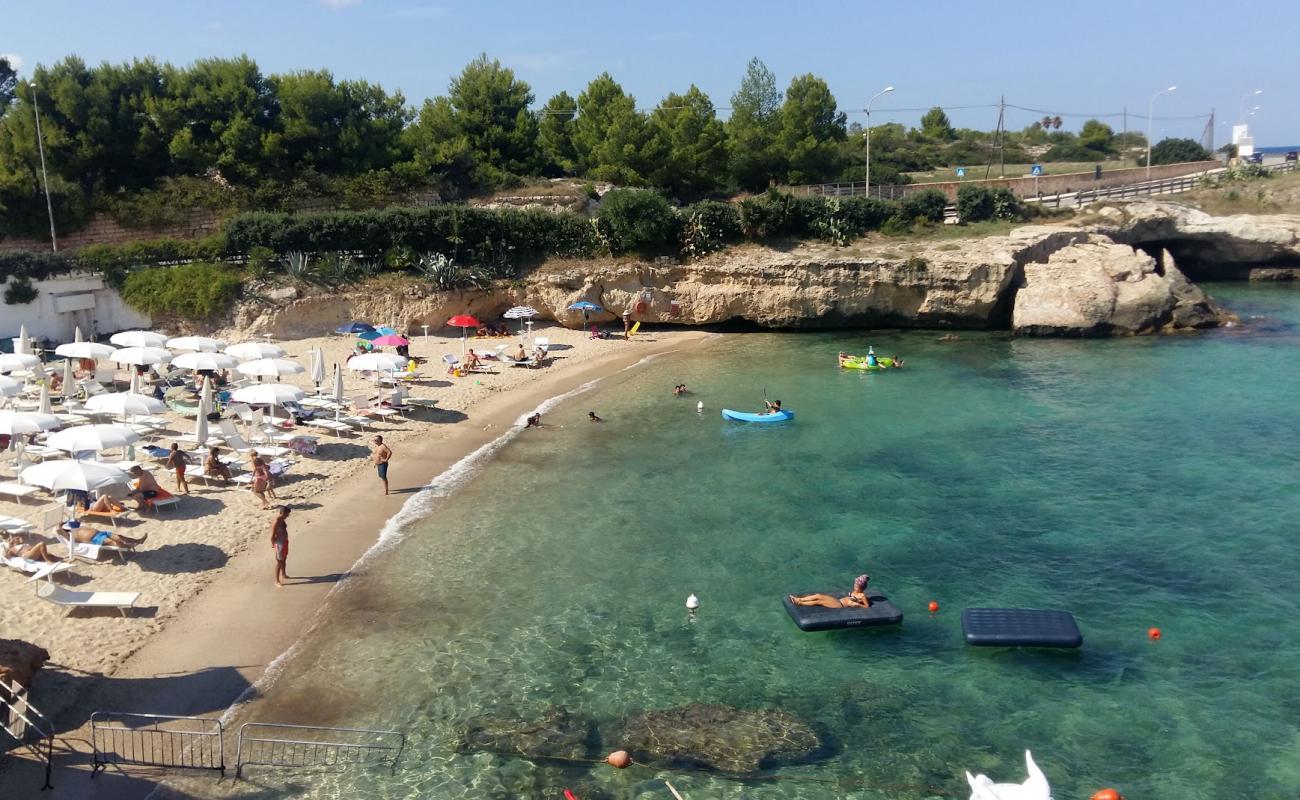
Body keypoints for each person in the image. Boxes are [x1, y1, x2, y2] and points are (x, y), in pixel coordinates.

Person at [789, 574, 871, 609]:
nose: (854, 586)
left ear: (861, 587)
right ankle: (799, 599)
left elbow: (867, 606)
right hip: (838, 601)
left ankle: (799, 603)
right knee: (818, 595)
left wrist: (857, 604)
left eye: (856, 585)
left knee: (819, 602)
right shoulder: (855, 591)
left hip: (840, 605)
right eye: (855, 584)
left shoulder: (862, 596)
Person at [61, 520, 148, 549]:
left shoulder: (77, 527)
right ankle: (129, 546)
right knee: (114, 543)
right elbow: (57, 530)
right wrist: (60, 527)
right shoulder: (70, 535)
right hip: (95, 539)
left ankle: (138, 541)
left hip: (101, 532)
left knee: (119, 537)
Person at [270, 506, 291, 587]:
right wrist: (274, 545)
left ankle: (283, 574)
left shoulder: (282, 519)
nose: (288, 516)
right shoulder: (276, 521)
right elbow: (272, 535)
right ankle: (277, 581)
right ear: (282, 513)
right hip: (279, 543)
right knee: (279, 562)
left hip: (284, 541)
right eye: (287, 514)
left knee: (284, 558)